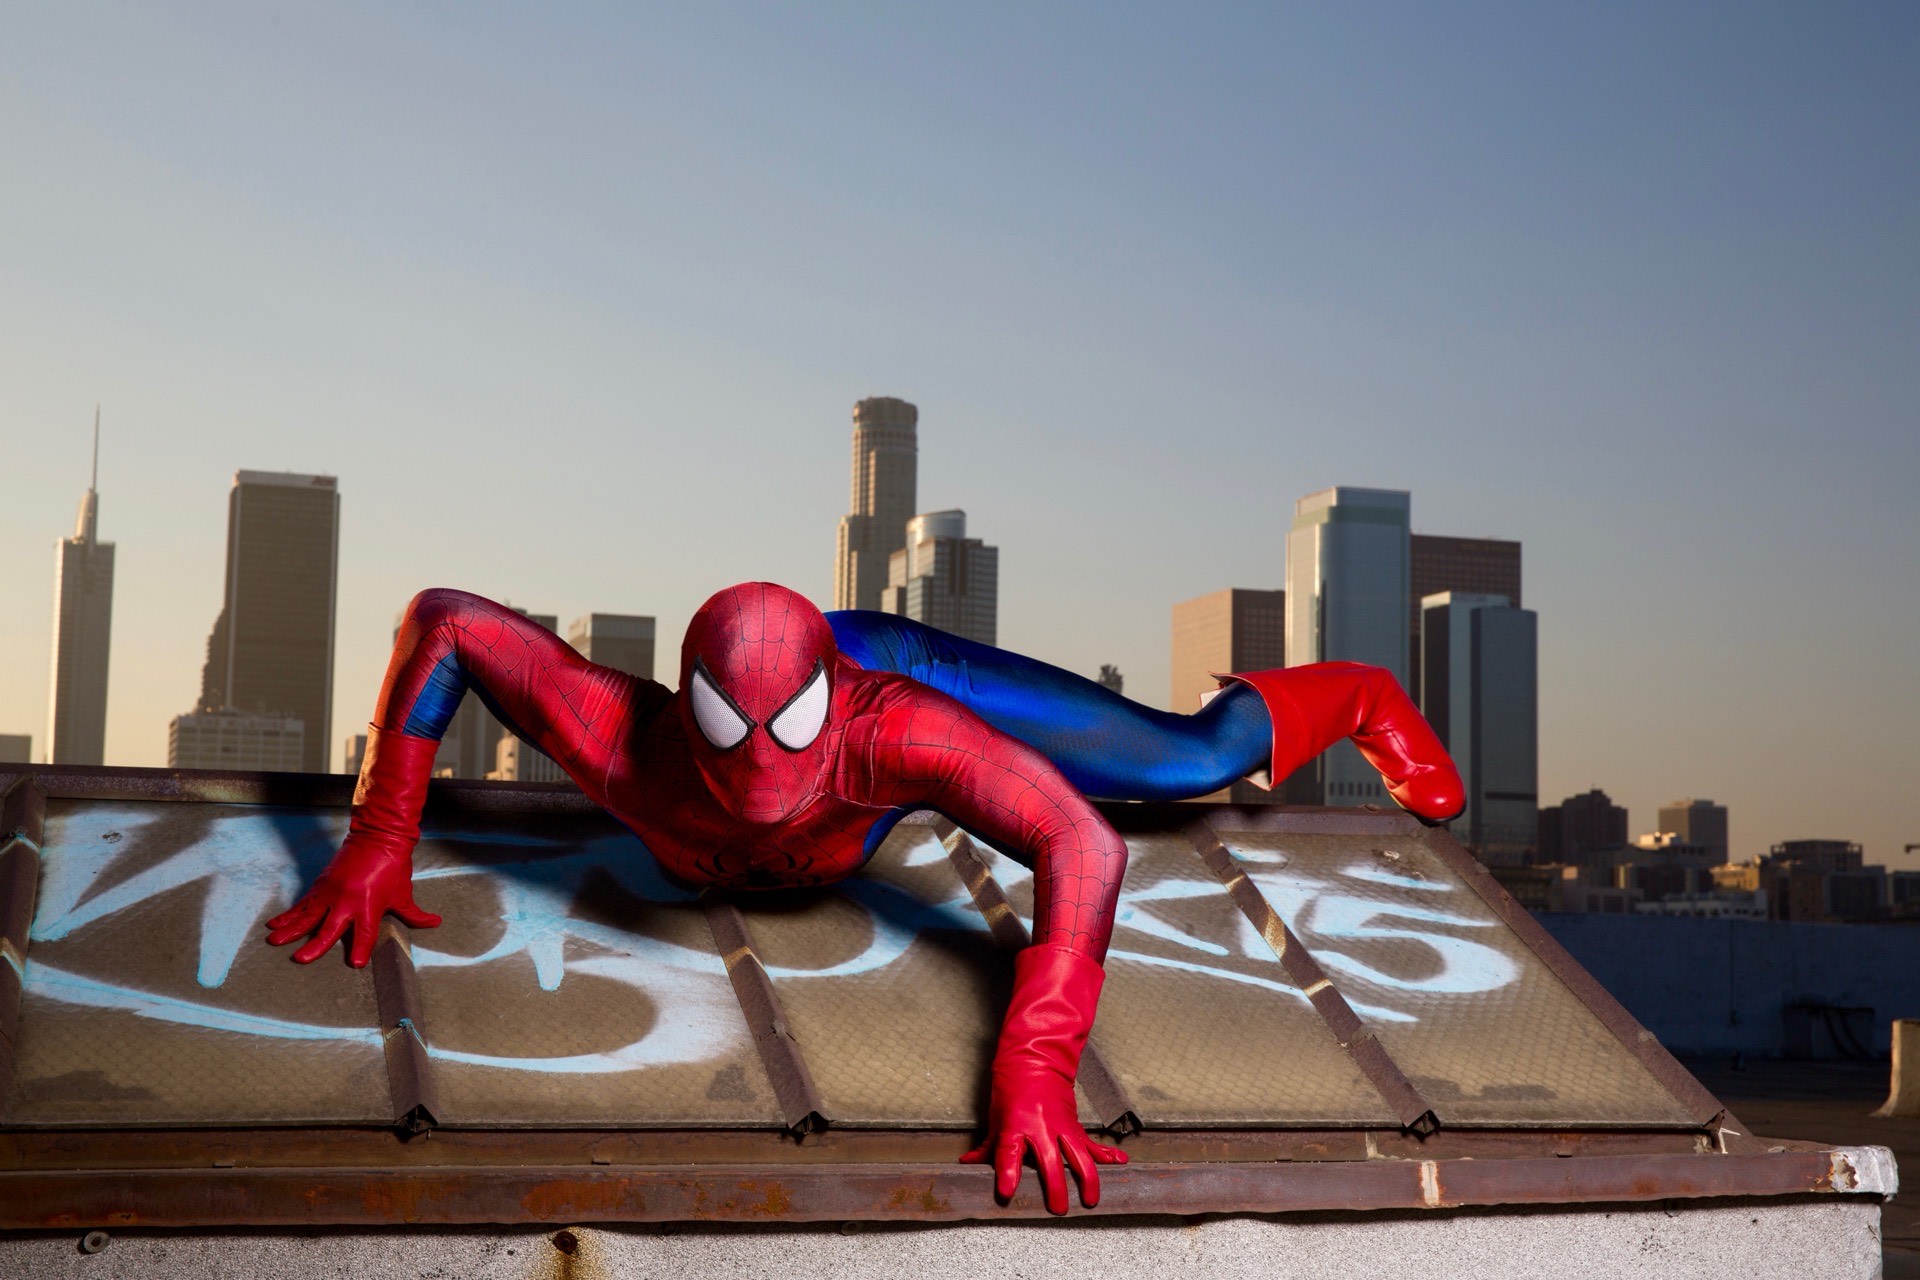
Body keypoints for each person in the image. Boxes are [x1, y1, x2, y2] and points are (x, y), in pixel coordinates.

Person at [268, 582, 1461, 1214]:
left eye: (784, 741)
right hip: (783, 675)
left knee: (1177, 763)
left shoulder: (898, 732)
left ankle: (1356, 693)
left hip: (895, 664)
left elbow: (1082, 845)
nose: (761, 784)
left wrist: (1037, 1061)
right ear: (684, 711)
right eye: (728, 740)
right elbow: (448, 624)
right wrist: (379, 839)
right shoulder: (623, 737)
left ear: (829, 717)